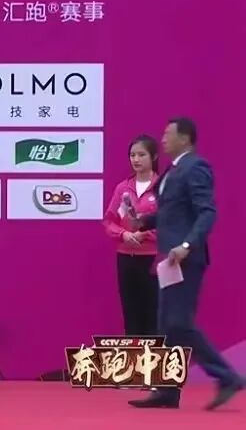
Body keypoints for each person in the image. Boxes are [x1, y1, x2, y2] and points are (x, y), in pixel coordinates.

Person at [129, 118, 243, 410]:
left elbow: (207, 212)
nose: (163, 139)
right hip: (169, 259)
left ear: (185, 138)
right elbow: (171, 212)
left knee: (179, 323)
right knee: (167, 326)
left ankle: (227, 376)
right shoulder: (173, 170)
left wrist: (187, 245)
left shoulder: (196, 167)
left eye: (168, 134)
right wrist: (144, 222)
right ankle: (167, 391)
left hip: (185, 258)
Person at [102, 135, 159, 336]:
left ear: (154, 157)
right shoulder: (123, 188)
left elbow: (170, 223)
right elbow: (109, 221)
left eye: (141, 155)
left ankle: (154, 356)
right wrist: (124, 234)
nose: (136, 159)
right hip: (126, 259)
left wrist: (146, 235)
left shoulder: (162, 187)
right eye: (132, 155)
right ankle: (133, 356)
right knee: (131, 315)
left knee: (153, 316)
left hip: (153, 259)